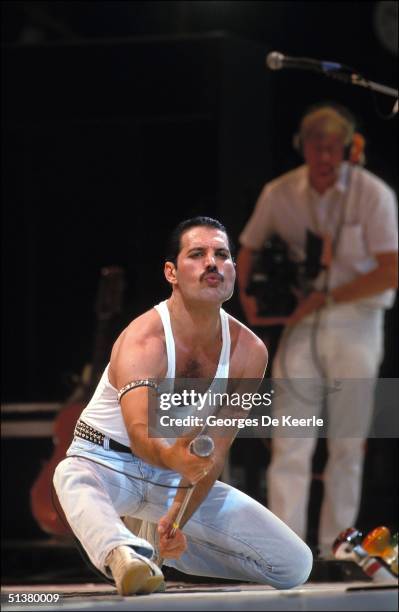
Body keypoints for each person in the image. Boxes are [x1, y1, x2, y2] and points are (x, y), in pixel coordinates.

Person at [53, 216, 313, 596]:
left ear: (234, 270)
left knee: (294, 565)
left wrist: (176, 519)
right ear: (171, 272)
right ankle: (124, 554)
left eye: (222, 254)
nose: (213, 262)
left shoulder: (249, 352)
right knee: (70, 475)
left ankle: (157, 551)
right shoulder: (145, 339)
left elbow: (215, 451)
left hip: (172, 479)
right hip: (108, 464)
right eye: (198, 254)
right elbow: (141, 436)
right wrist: (174, 458)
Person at [237, 104, 398, 557]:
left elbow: (390, 271)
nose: (324, 157)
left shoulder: (371, 193)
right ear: (302, 146)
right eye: (316, 146)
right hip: (300, 321)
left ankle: (337, 549)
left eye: (332, 148)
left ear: (348, 149)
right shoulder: (280, 191)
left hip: (357, 321)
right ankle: (286, 549)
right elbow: (246, 249)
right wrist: (247, 295)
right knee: (291, 436)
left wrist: (328, 296)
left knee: (347, 442)